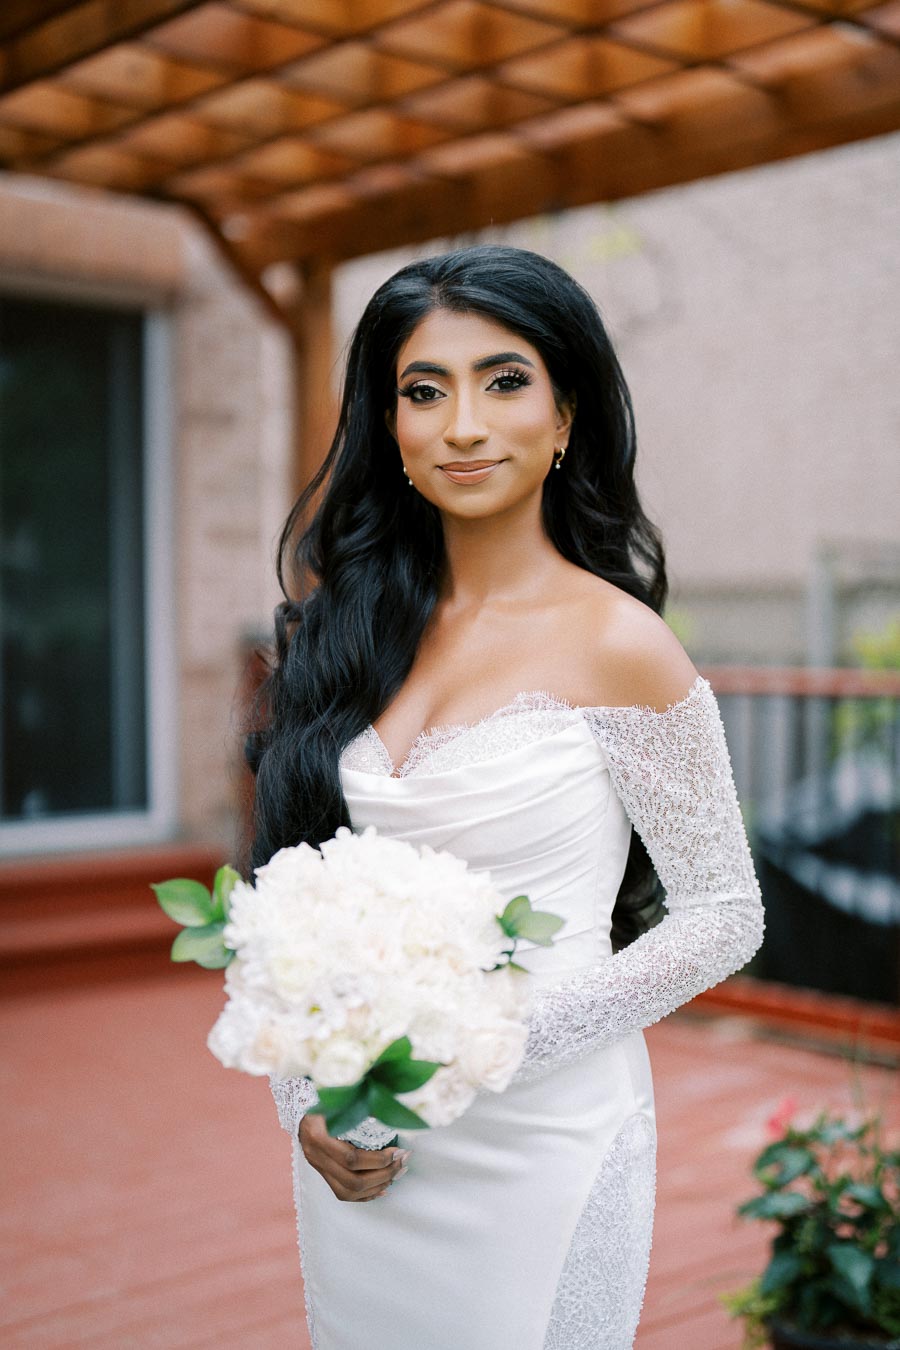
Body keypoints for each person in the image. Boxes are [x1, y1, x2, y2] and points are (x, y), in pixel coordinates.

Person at [245, 245, 765, 1350]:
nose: (463, 425)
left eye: (504, 380)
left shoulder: (623, 645)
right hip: (371, 1153)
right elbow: (291, 900)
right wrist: (304, 1106)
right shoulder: (346, 633)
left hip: (547, 1137)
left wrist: (484, 1044)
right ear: (388, 426)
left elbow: (725, 911)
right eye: (423, 392)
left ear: (568, 414)